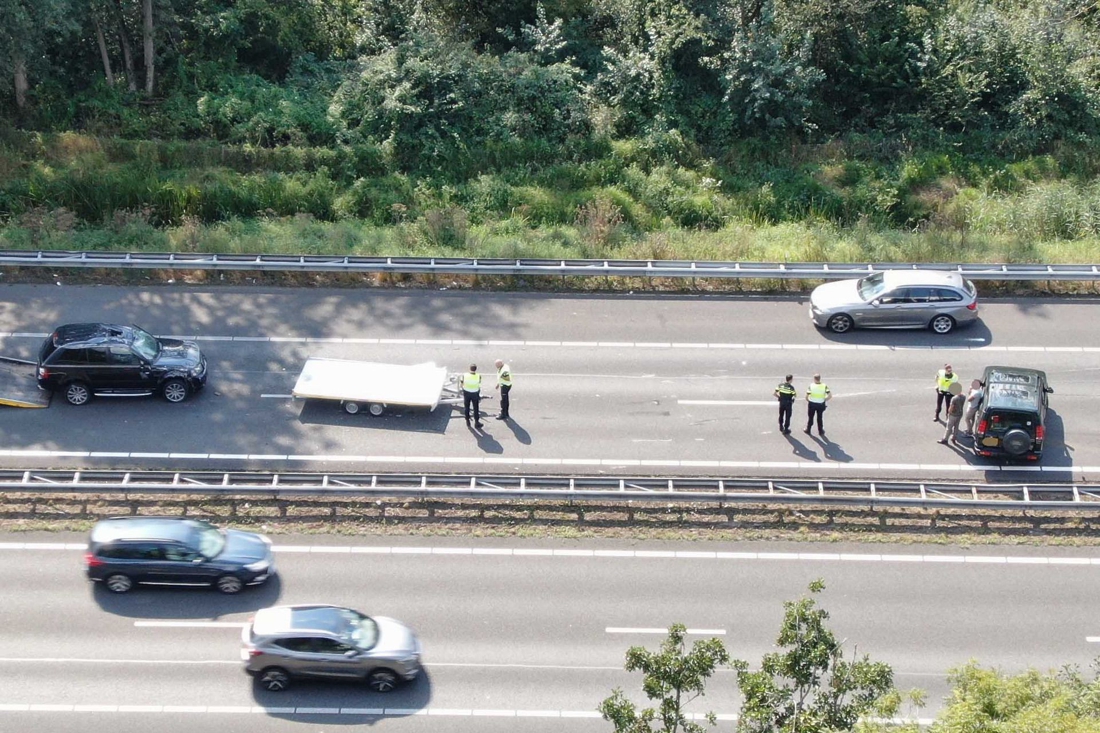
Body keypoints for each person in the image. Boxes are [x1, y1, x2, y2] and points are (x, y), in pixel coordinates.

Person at [462, 364, 483, 429]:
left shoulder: (465, 375)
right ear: (475, 369)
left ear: (470, 368)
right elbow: (479, 384)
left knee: (466, 407)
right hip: (475, 393)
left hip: (466, 392)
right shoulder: (478, 376)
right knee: (475, 408)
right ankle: (476, 422)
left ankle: (467, 420)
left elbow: (462, 383)